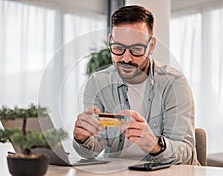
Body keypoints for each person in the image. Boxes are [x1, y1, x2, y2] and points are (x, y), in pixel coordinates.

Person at [73, 5, 198, 165]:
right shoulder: (97, 82)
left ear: (151, 46)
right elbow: (92, 150)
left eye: (136, 49)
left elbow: (187, 153)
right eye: (118, 48)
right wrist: (82, 138)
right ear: (110, 41)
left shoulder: (174, 84)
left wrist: (155, 145)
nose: (126, 58)